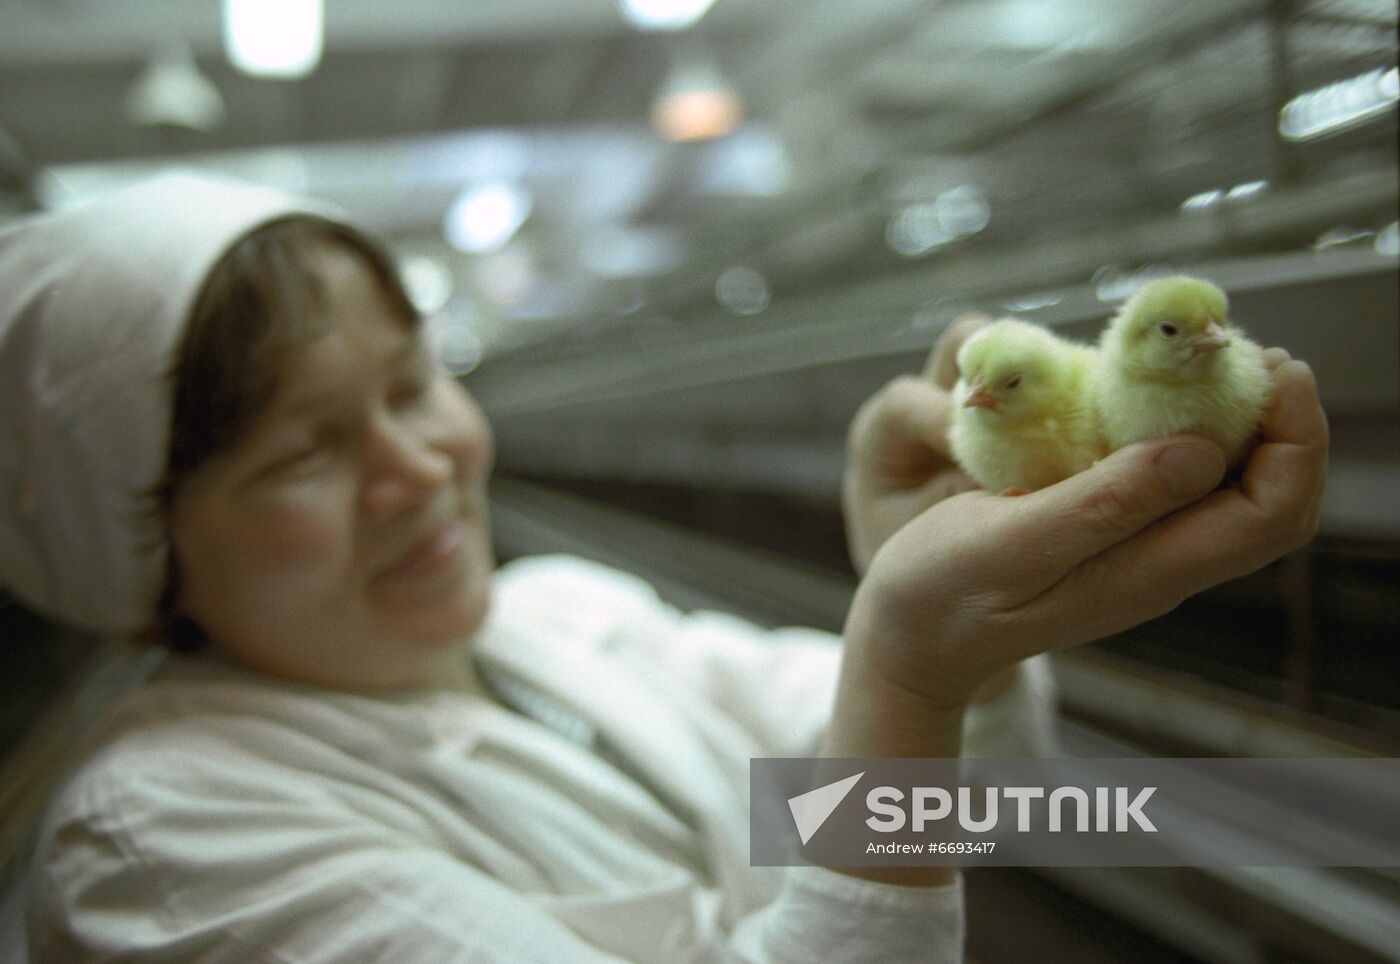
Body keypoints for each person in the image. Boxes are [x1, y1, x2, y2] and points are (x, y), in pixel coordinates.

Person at [0, 173, 1326, 962]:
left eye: (414, 383)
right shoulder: (161, 844)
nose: (416, 467)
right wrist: (902, 675)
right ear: (141, 535)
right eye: (301, 451)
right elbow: (890, 767)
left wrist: (951, 657)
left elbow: (989, 807)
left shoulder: (568, 618)